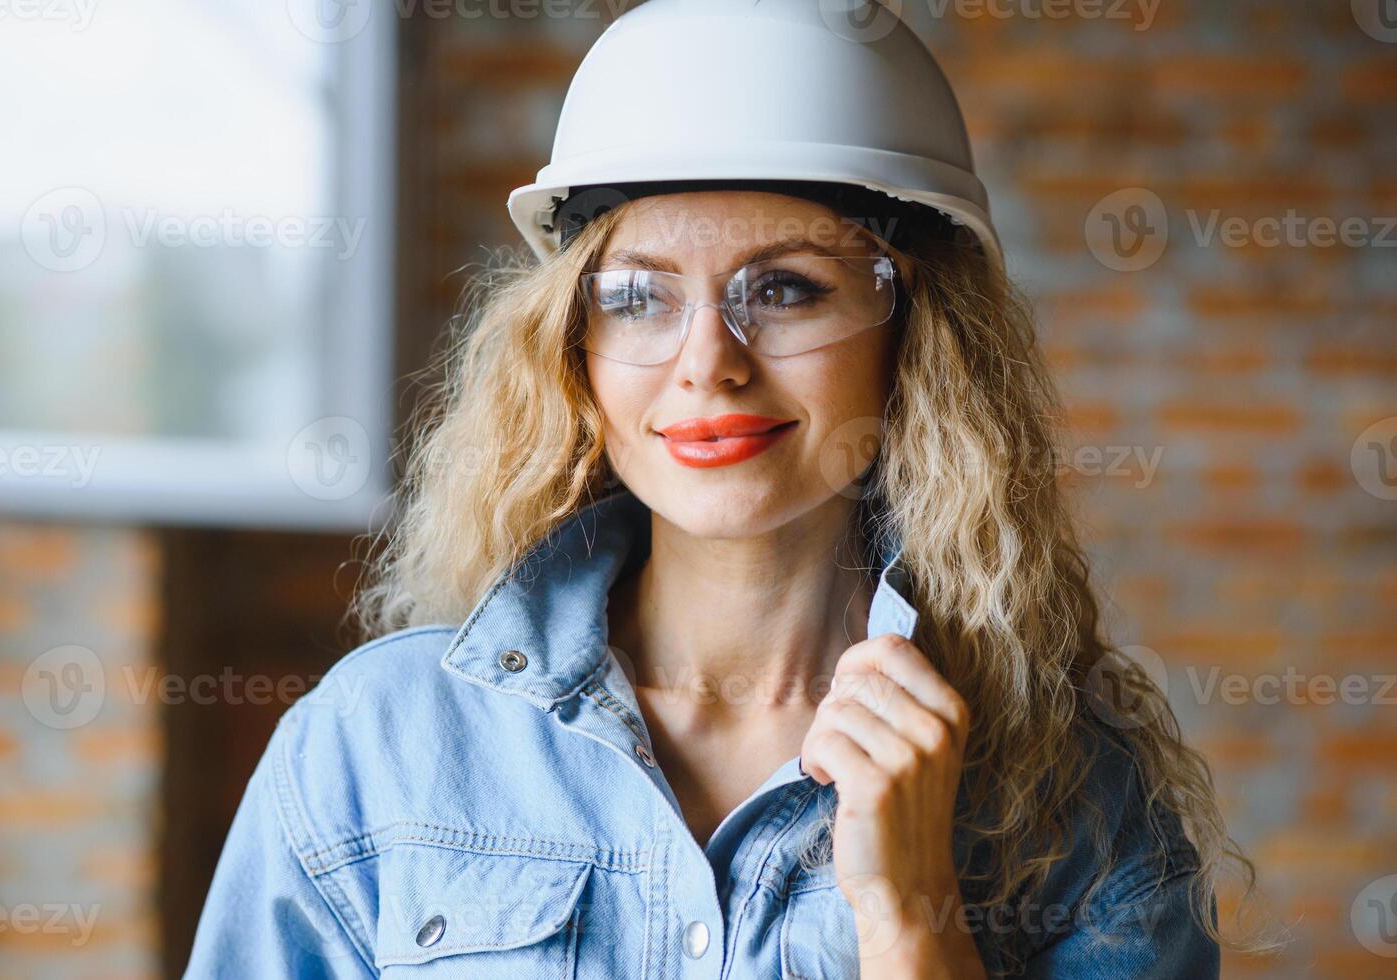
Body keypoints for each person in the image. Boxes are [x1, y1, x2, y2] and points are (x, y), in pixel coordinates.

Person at [186, 1, 1253, 976]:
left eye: (785, 289)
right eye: (641, 296)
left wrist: (911, 917)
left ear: (917, 345)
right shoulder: (376, 742)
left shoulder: (1078, 808)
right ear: (576, 348)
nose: (708, 361)